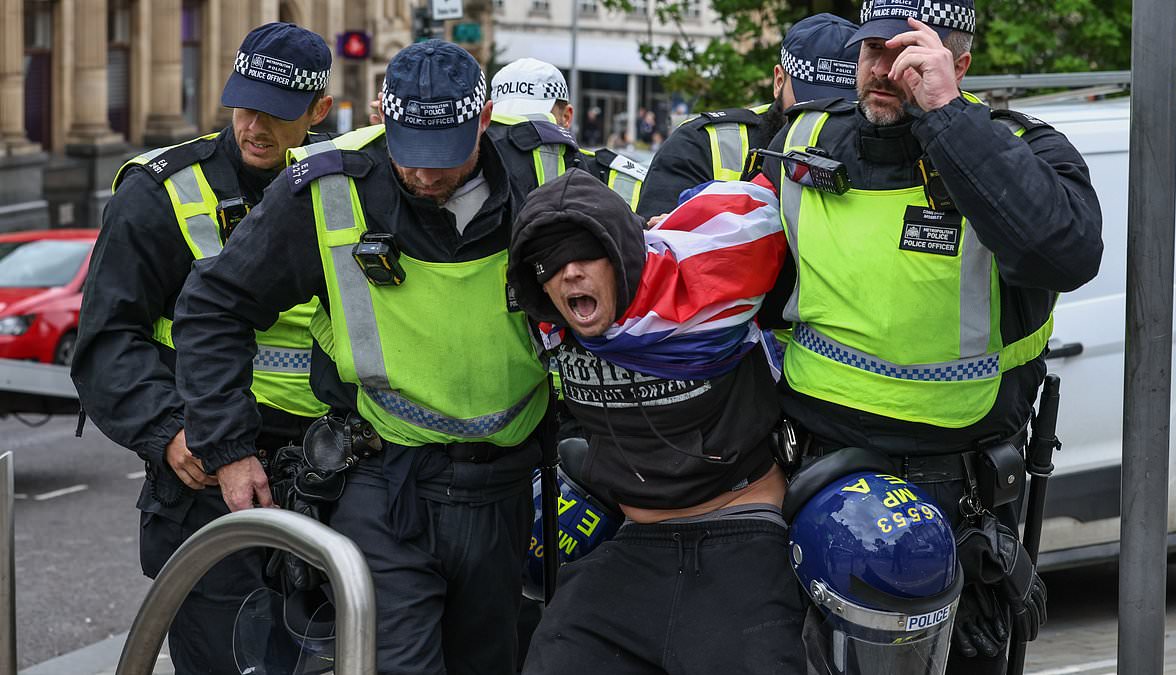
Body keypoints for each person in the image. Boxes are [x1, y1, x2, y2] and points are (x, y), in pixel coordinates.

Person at [172, 40, 549, 674]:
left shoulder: (544, 174)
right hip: (384, 479)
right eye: (411, 158)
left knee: (491, 661)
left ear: (483, 121)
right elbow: (214, 303)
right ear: (381, 114)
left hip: (504, 488)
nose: (427, 177)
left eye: (445, 158)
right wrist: (228, 446)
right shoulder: (329, 187)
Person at [760, 1, 1103, 673]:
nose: (884, 71)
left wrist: (946, 115)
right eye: (871, 53)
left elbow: (1065, 252)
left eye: (908, 55)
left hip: (957, 508)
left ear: (959, 65)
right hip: (817, 487)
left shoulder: (1021, 152)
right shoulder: (806, 143)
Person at [71, 22, 333, 674]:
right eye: (243, 106)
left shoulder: (345, 180)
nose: (254, 128)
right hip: (206, 478)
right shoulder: (159, 194)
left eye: (276, 115)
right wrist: (169, 434)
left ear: (319, 111)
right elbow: (106, 343)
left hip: (334, 473)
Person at [507, 168, 809, 674]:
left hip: (742, 530)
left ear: (623, 253)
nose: (570, 273)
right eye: (551, 264)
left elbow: (766, 196)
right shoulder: (547, 323)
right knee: (552, 653)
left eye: (586, 254)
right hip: (637, 543)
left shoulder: (705, 273)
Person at [636, 13, 859, 218]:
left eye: (842, 106)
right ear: (779, 81)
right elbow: (655, 248)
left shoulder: (878, 152)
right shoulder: (700, 145)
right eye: (810, 102)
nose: (824, 115)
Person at [489, 57, 648, 210]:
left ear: (566, 117)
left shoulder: (620, 180)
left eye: (533, 124)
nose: (514, 136)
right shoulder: (478, 173)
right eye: (502, 123)